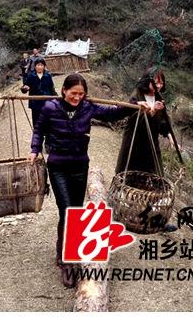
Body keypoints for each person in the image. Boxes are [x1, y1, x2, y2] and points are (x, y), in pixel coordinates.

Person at [28, 73, 152, 288]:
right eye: (73, 93)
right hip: (58, 166)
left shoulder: (88, 107)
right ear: (64, 90)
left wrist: (134, 105)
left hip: (79, 166)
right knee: (66, 211)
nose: (77, 98)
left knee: (75, 211)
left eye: (81, 94)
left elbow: (113, 114)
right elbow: (39, 129)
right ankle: (67, 263)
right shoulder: (50, 108)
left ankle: (65, 250)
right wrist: (34, 149)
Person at [115, 67, 177, 176]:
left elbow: (163, 121)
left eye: (161, 83)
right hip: (134, 141)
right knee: (128, 174)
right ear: (147, 81)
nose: (159, 86)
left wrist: (170, 138)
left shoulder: (158, 97)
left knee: (155, 176)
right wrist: (152, 111)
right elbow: (135, 119)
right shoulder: (137, 95)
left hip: (151, 142)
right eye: (156, 83)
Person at [22, 58, 57, 126]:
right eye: (38, 65)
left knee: (48, 122)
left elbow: (51, 88)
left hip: (46, 102)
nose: (40, 67)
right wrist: (25, 88)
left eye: (41, 65)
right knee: (37, 122)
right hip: (35, 103)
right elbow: (24, 87)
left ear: (44, 66)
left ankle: (47, 136)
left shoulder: (48, 76)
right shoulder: (30, 76)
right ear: (35, 66)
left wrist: (56, 99)